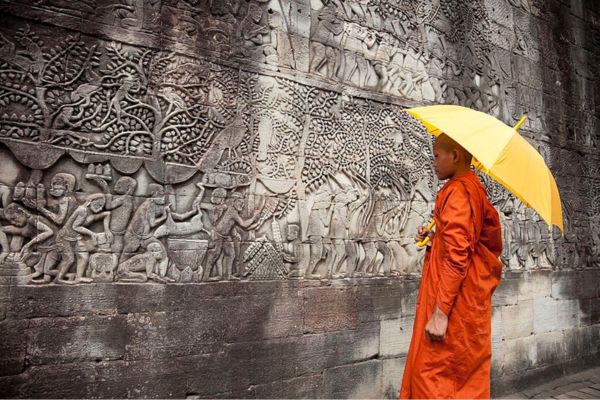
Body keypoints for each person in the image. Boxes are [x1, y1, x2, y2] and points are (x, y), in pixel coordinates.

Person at [399, 133, 503, 399]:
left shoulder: (459, 192)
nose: (433, 162)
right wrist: (436, 238)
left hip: (453, 305)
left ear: (455, 156)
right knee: (460, 380)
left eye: (436, 156)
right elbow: (467, 241)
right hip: (462, 300)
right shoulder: (471, 187)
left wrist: (441, 313)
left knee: (433, 377)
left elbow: (458, 256)